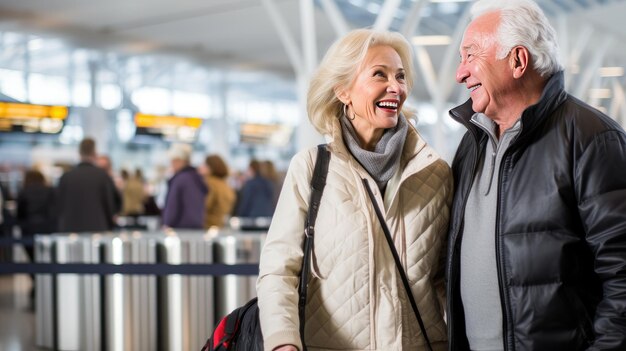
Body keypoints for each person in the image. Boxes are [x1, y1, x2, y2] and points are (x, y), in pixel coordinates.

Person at [446, 1, 626, 350]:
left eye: (470, 56)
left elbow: (622, 278)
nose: (460, 73)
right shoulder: (472, 145)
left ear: (517, 60)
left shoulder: (592, 138)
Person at [257, 29, 452, 351]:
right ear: (343, 91)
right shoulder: (310, 169)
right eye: (380, 74)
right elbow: (280, 269)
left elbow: (449, 277)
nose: (396, 87)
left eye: (400, 77)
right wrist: (282, 341)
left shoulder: (435, 173)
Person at [57, 138, 118, 232]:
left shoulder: (66, 177)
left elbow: (58, 207)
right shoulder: (103, 177)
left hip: (70, 232)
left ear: (79, 153)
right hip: (97, 231)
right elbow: (112, 204)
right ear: (94, 153)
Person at [161, 143, 207, 229]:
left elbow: (172, 207)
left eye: (173, 161)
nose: (172, 164)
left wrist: (167, 224)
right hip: (196, 228)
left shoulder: (180, 179)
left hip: (180, 230)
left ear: (180, 160)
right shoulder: (196, 178)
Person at [202, 154, 236, 229]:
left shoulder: (209, 183)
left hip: (207, 226)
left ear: (211, 167)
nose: (201, 167)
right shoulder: (226, 185)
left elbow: (205, 205)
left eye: (204, 165)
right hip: (220, 225)